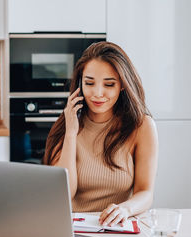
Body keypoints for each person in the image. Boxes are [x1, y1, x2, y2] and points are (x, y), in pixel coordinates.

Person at [43, 41, 158, 227]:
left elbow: (145, 192)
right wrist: (71, 133)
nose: (97, 93)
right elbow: (63, 194)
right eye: (89, 83)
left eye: (109, 84)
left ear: (122, 85)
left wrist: (126, 209)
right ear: (80, 83)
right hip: (71, 228)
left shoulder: (142, 126)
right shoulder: (67, 123)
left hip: (115, 227)